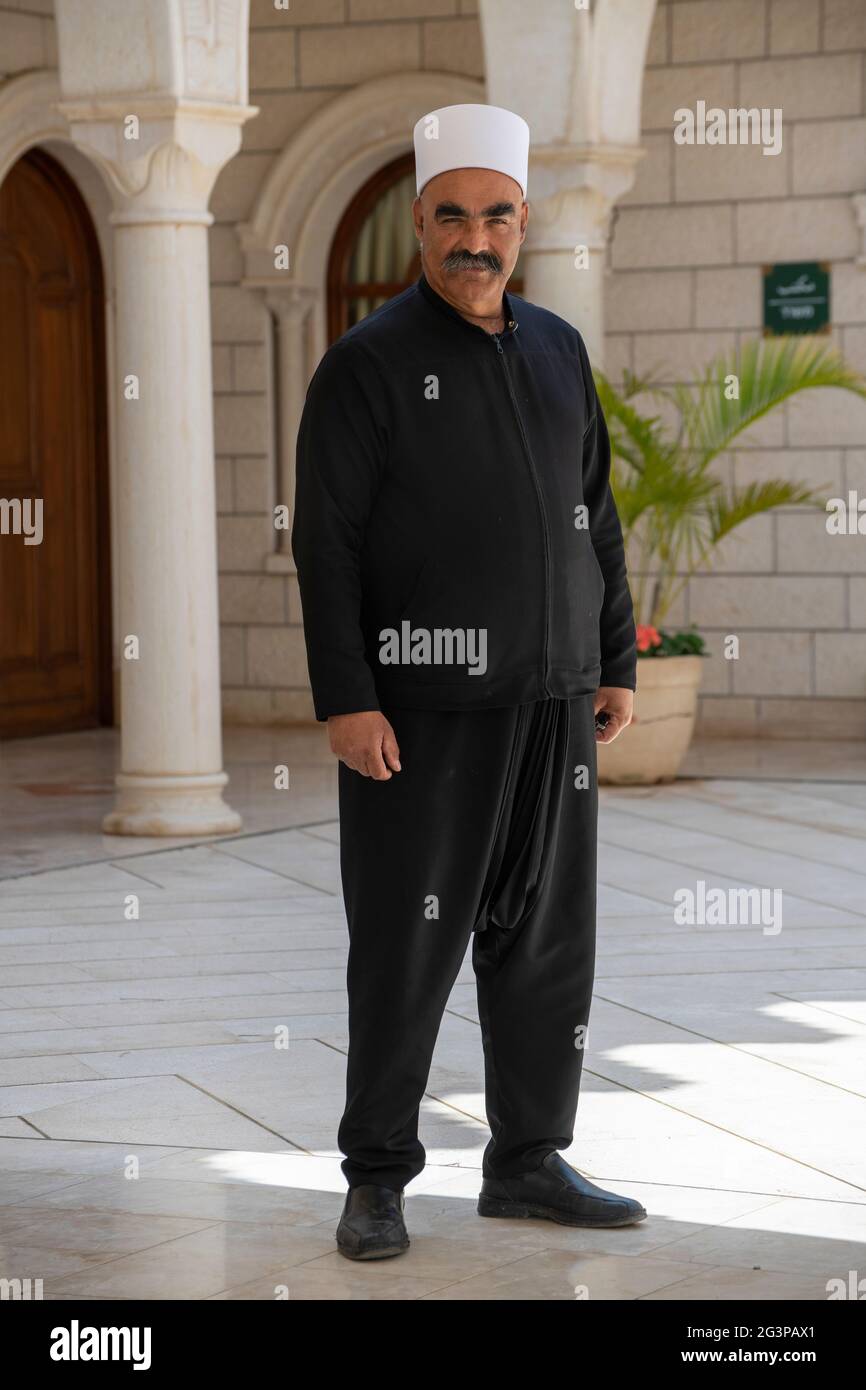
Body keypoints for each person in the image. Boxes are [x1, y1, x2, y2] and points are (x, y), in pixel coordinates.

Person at [292, 103, 646, 1261]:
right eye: (452, 216)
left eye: (496, 216)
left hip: (552, 702)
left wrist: (611, 656)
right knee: (405, 946)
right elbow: (327, 543)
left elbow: (591, 513)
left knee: (547, 948)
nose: (475, 239)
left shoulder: (555, 347)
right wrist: (347, 696)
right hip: (420, 716)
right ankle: (377, 1174)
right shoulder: (367, 366)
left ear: (523, 223)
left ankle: (528, 1159)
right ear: (419, 224)